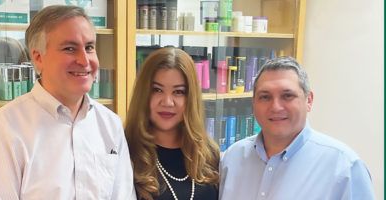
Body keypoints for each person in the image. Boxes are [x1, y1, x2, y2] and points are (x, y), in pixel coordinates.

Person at [0, 5, 136, 199]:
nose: (84, 60)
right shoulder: (2, 129)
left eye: (89, 47)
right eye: (70, 48)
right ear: (38, 57)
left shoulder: (110, 124)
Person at [219, 56, 375, 199]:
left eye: (287, 96)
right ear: (253, 103)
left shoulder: (345, 167)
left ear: (309, 101)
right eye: (265, 97)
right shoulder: (233, 158)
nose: (276, 107)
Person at [125, 47, 220, 200]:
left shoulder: (209, 154)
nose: (167, 102)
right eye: (157, 90)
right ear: (144, 94)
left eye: (178, 92)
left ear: (190, 98)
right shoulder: (125, 150)